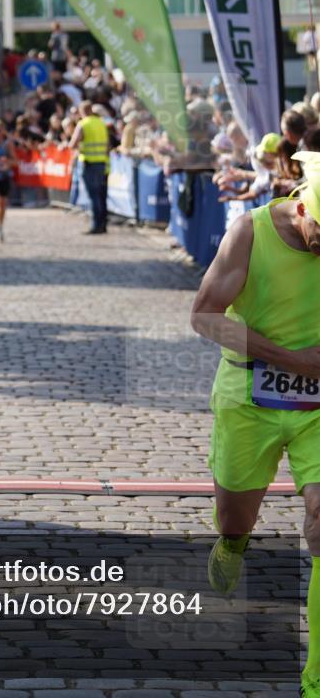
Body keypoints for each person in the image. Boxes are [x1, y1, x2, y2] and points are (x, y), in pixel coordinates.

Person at [191, 150, 320, 698]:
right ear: (302, 206)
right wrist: (295, 361)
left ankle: (315, 681)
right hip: (249, 398)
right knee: (234, 520)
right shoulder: (249, 232)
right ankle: (233, 545)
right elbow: (204, 318)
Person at [69, 100, 110, 234]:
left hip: (89, 163)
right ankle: (103, 224)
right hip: (102, 163)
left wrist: (81, 147)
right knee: (101, 195)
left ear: (82, 112)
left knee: (93, 195)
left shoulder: (83, 124)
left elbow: (72, 144)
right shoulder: (101, 123)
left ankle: (95, 225)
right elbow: (108, 144)